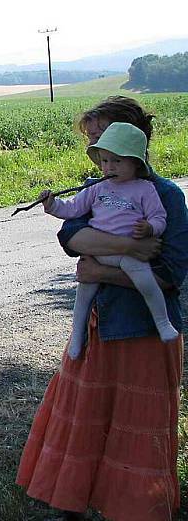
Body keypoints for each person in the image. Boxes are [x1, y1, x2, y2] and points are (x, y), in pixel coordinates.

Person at [17, 96, 188, 521]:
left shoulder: (164, 195)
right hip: (99, 326)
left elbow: (171, 273)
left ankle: (133, 509)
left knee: (135, 431)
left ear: (134, 143)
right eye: (93, 143)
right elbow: (74, 239)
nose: (97, 155)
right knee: (87, 421)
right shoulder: (98, 192)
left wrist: (100, 270)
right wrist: (134, 247)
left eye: (101, 139)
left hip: (143, 330)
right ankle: (76, 502)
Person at [39, 122, 177, 359]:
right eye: (104, 161)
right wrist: (52, 205)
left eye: (117, 161)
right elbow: (73, 208)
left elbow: (159, 217)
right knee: (82, 299)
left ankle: (163, 323)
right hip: (98, 252)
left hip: (127, 255)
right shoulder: (96, 187)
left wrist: (150, 228)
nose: (109, 167)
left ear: (135, 162)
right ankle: (76, 337)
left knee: (147, 284)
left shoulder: (144, 189)